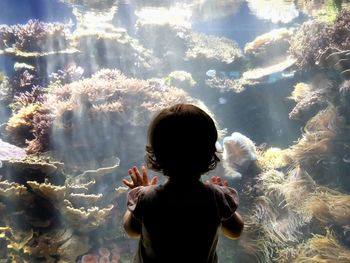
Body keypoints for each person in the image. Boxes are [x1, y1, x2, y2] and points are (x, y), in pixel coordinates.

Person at [122, 103, 244, 263]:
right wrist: (224, 202)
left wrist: (139, 192)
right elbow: (236, 230)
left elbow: (132, 230)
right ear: (210, 155)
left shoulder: (145, 198)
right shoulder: (216, 198)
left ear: (156, 155)